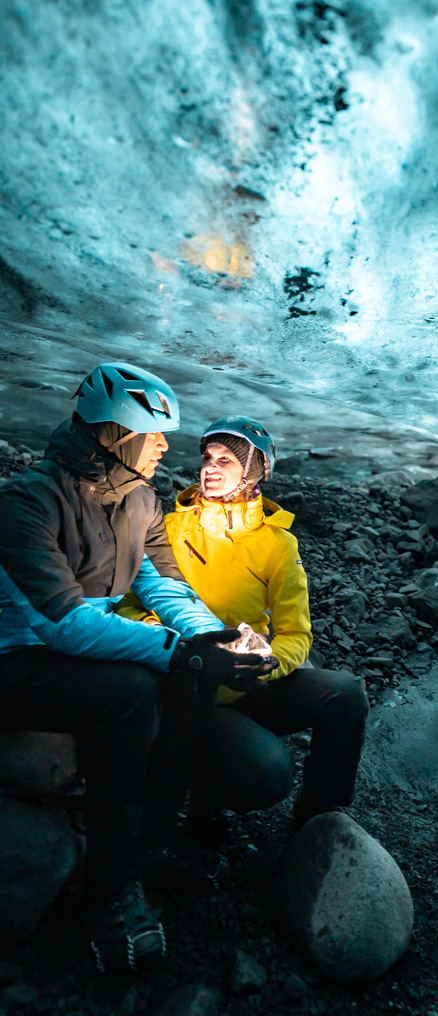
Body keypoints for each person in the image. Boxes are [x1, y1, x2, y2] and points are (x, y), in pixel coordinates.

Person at [0, 364, 273, 972]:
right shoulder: (27, 501)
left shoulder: (138, 499)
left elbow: (161, 583)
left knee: (189, 672)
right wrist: (179, 651)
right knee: (129, 690)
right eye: (156, 436)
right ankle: (108, 892)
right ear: (118, 434)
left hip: (69, 649)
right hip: (16, 656)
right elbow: (59, 622)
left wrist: (214, 639)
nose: (166, 448)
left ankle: (146, 841)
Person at [119, 415, 368, 846]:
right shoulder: (169, 529)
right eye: (206, 458)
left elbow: (296, 634)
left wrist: (265, 665)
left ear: (254, 472)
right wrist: (177, 645)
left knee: (345, 693)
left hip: (250, 682)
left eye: (225, 461)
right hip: (187, 683)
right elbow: (127, 603)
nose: (209, 469)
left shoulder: (277, 543)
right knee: (267, 774)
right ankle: (202, 799)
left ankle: (318, 822)